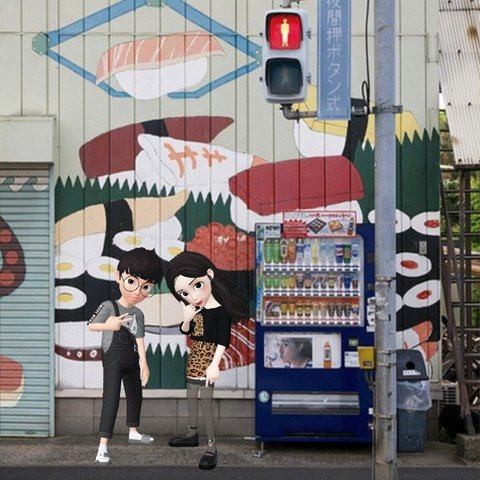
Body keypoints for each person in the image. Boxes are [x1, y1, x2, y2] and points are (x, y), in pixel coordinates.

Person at [165, 251, 248, 470]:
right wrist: (187, 318)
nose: (192, 296)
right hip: (195, 356)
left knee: (206, 403)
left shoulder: (221, 312)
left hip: (209, 357)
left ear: (209, 275)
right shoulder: (196, 310)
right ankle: (192, 433)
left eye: (197, 286)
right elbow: (187, 331)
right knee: (191, 396)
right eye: (184, 293)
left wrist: (214, 365)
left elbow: (223, 340)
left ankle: (212, 447)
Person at [87, 247, 163, 465]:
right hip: (113, 358)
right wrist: (109, 324)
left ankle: (133, 431)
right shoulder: (109, 306)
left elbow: (140, 338)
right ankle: (102, 448)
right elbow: (91, 325)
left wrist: (144, 363)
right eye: (131, 282)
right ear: (118, 277)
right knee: (111, 400)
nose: (138, 291)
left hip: (132, 359)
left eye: (146, 287)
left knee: (135, 395)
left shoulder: (138, 313)